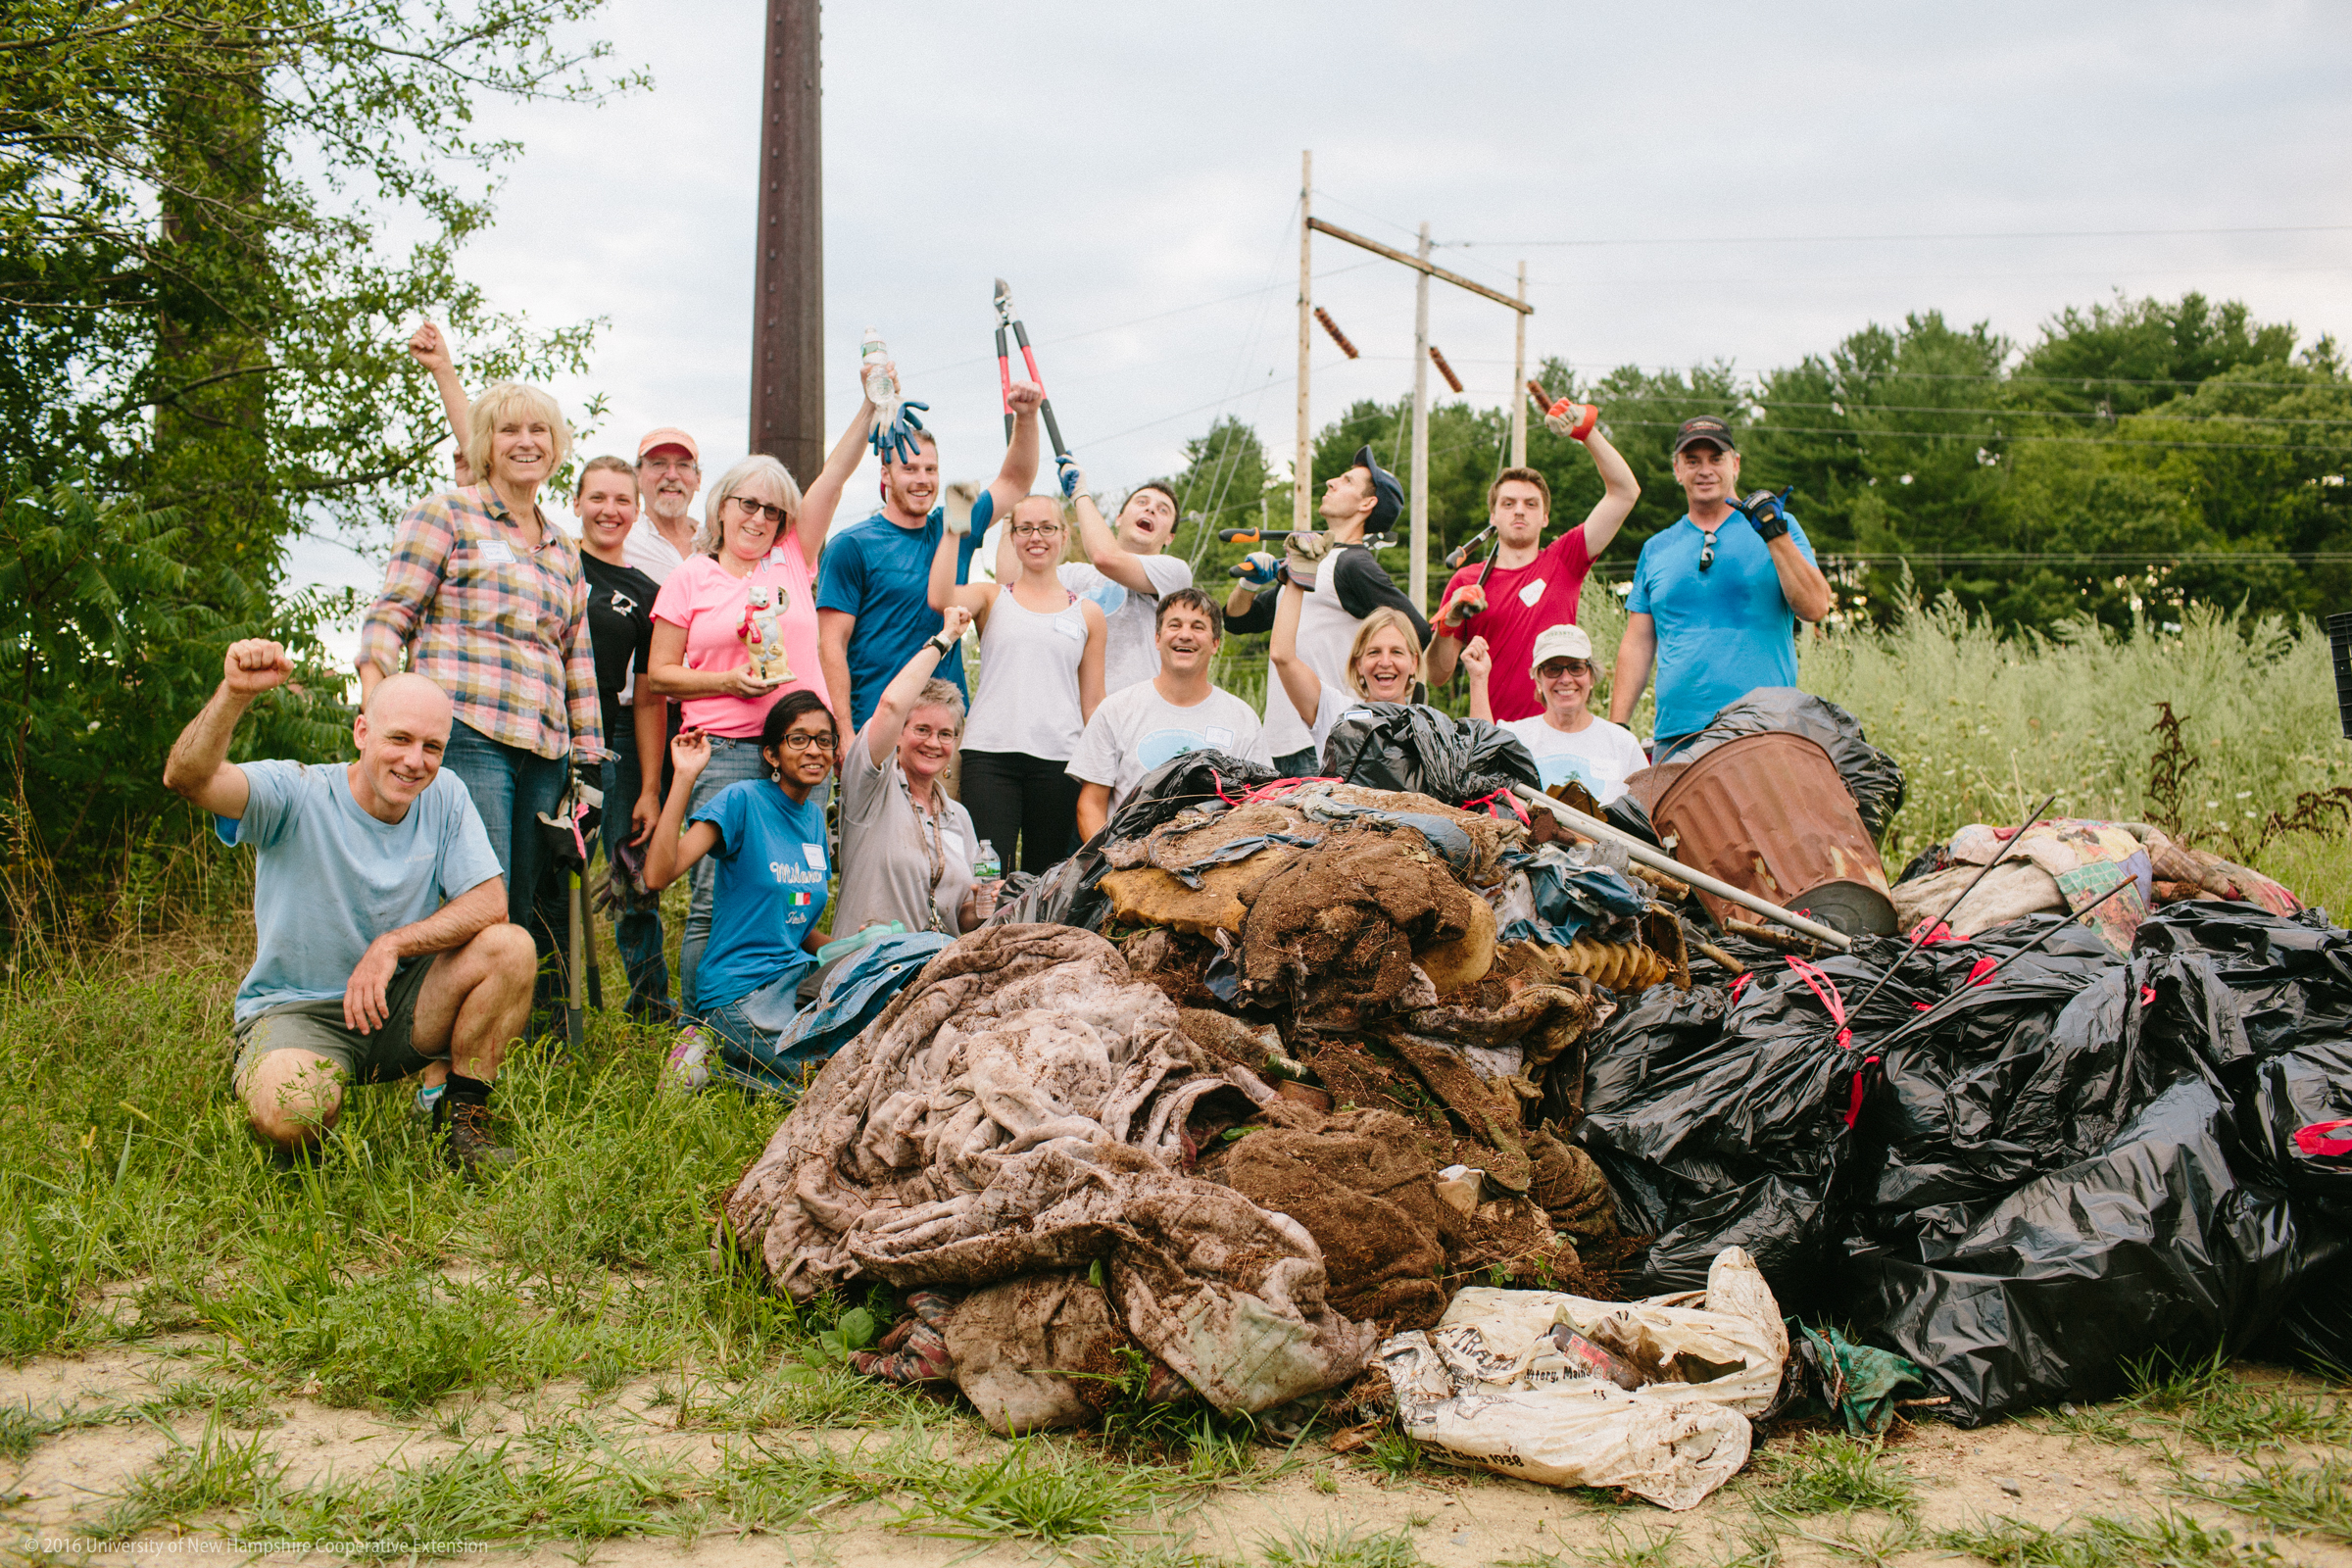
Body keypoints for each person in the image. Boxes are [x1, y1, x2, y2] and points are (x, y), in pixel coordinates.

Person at [165, 644, 532, 1170]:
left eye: (432, 746)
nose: (415, 761)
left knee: (511, 948)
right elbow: (188, 779)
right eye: (399, 739)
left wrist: (393, 944)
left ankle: (461, 1121)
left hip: (394, 1007)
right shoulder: (295, 791)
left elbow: (490, 903)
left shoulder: (445, 794)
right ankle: (286, 1097)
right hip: (297, 1010)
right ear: (362, 732)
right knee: (295, 1113)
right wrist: (234, 694)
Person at [358, 379, 604, 1005]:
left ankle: (504, 1034)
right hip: (467, 731)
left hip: (545, 749)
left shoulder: (564, 548)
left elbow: (576, 658)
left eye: (539, 430)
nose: (526, 442)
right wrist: (376, 704)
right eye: (509, 430)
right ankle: (430, 1033)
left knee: (524, 903)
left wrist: (589, 762)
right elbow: (391, 615)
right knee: (476, 896)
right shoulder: (446, 514)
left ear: (556, 446)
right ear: (485, 444)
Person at [646, 454, 830, 1012]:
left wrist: (872, 411)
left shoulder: (791, 559)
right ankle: (698, 1030)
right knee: (712, 899)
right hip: (722, 751)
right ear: (721, 507)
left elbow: (833, 478)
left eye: (773, 511)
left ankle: (774, 1011)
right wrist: (726, 681)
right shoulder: (690, 576)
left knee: (793, 893)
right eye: (748, 503)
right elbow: (659, 674)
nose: (759, 518)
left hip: (800, 753)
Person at [816, 372, 1045, 734]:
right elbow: (832, 645)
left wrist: (1027, 416)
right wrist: (843, 731)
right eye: (909, 469)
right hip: (876, 724)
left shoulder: (955, 525)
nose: (922, 479)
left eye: (931, 469)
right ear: (886, 475)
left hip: (943, 726)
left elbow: (1015, 481)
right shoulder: (851, 545)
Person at [643, 692, 835, 1093]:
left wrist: (858, 949)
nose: (814, 750)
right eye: (798, 739)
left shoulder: (815, 819)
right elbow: (658, 875)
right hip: (741, 992)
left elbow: (794, 924)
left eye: (824, 740)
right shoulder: (742, 800)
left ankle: (728, 1067)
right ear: (771, 754)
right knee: (826, 1081)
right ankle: (712, 1047)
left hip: (794, 983)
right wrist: (684, 777)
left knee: (857, 1049)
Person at [1609, 416, 1833, 761]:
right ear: (1677, 469)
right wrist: (1617, 728)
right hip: (1678, 735)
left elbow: (1815, 607)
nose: (1705, 471)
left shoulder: (1778, 528)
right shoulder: (1657, 548)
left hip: (1764, 727)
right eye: (1692, 461)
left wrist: (1773, 533)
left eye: (1716, 459)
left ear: (1735, 464)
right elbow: (1638, 642)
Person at [1223, 446, 1429, 774]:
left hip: (1321, 737)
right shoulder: (1316, 562)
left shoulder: (1353, 564)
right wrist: (1248, 585)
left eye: (1347, 481)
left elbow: (1417, 630)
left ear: (1367, 503)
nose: (1332, 482)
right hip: (1280, 740)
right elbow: (1237, 620)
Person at [1423, 416, 1642, 717]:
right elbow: (1436, 675)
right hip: (1493, 734)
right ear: (1492, 516)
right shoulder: (1467, 582)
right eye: (1508, 504)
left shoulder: (1564, 559)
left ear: (1545, 517)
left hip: (1559, 729)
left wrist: (1587, 432)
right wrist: (1449, 622)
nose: (1519, 511)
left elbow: (1625, 493)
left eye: (1531, 504)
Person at [933, 493, 1106, 874]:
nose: (1036, 537)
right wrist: (954, 528)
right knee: (987, 874)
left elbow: (1093, 701)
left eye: (1047, 528)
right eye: (1025, 528)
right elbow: (939, 597)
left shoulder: (1089, 613)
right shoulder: (991, 597)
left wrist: (1105, 771)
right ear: (1012, 536)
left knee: (1047, 877)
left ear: (1064, 535)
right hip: (990, 757)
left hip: (1060, 761)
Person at [571, 456, 671, 1019]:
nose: (609, 510)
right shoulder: (552, 564)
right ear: (576, 503)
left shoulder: (646, 592)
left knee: (625, 869)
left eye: (621, 500)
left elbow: (650, 696)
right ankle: (544, 1006)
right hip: (540, 736)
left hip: (605, 742)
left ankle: (650, 1006)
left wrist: (650, 788)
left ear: (636, 510)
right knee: (543, 876)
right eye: (597, 498)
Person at [835, 605, 996, 942]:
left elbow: (963, 916)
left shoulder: (958, 817)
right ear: (898, 734)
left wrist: (987, 903)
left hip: (934, 965)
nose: (933, 743)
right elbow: (892, 704)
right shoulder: (871, 787)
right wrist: (946, 637)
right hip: (869, 964)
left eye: (945, 734)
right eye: (922, 729)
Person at [1068, 588, 1269, 838]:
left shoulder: (1243, 719)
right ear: (1157, 638)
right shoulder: (1116, 710)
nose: (1185, 635)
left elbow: (1258, 808)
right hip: (1128, 857)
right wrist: (1109, 858)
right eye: (1175, 625)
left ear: (1215, 643)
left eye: (1198, 627)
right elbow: (1090, 806)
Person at [1030, 458, 1192, 696]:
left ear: (1170, 537)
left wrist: (1080, 493)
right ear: (1119, 518)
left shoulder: (1174, 574)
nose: (1150, 509)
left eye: (1163, 510)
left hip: (1135, 712)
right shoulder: (1073, 575)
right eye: (1142, 502)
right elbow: (1013, 585)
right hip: (1073, 713)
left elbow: (1105, 557)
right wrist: (1014, 500)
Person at [1465, 625, 1648, 805]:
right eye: (1553, 669)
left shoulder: (1623, 743)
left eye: (1576, 668)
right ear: (1538, 680)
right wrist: (1478, 678)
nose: (1566, 679)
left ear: (1591, 676)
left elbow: (1648, 811)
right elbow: (1480, 760)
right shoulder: (1515, 737)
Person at [1268, 575, 1423, 766]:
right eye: (1373, 652)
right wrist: (1298, 577)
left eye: (1396, 652)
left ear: (1414, 662)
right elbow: (1282, 656)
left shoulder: (1428, 726)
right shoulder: (1336, 712)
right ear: (1358, 664)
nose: (1385, 662)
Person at [625, 429, 703, 585]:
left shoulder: (714, 543)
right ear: (637, 477)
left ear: (698, 480)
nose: (672, 475)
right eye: (658, 464)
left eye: (683, 465)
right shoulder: (624, 541)